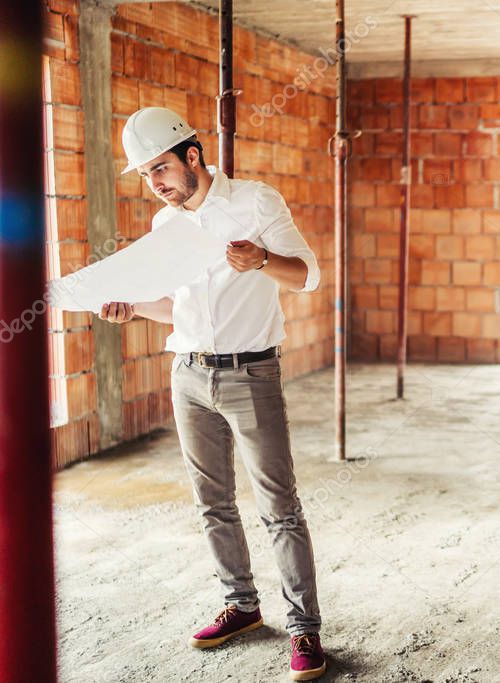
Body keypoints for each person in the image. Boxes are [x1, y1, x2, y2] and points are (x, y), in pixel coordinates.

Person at [99, 106, 326, 681]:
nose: (156, 184)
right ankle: (243, 607)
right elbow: (175, 308)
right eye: (147, 175)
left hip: (252, 375)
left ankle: (304, 630)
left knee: (279, 506)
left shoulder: (256, 202)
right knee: (213, 503)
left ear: (192, 156)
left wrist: (262, 260)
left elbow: (308, 276)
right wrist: (132, 310)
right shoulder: (165, 225)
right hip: (189, 375)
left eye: (161, 169)